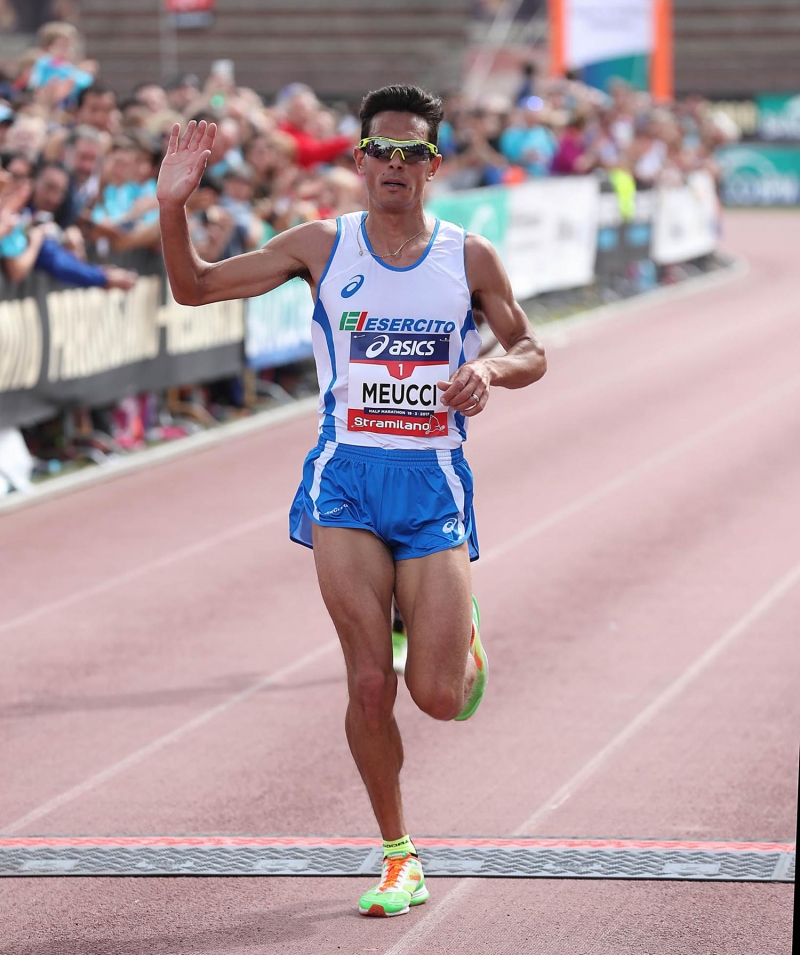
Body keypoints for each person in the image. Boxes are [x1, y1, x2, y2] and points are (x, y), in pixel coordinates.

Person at [157, 84, 546, 918]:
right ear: (359, 159)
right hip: (345, 481)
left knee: (437, 696)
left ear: (433, 166)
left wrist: (489, 370)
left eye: (412, 154)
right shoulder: (320, 246)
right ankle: (400, 855)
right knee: (370, 682)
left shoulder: (468, 256)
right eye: (382, 151)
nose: (395, 166)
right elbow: (193, 287)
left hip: (431, 480)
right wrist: (171, 207)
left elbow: (530, 347)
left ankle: (457, 634)